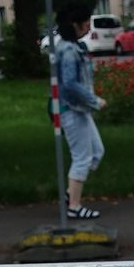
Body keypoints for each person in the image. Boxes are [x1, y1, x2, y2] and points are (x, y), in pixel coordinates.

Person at [53, 11, 106, 221]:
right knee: (82, 158)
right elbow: (70, 84)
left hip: (79, 109)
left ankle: (71, 194)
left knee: (97, 152)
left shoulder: (74, 47)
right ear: (74, 25)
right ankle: (74, 207)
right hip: (72, 110)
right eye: (86, 23)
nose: (89, 27)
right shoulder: (68, 50)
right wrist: (95, 100)